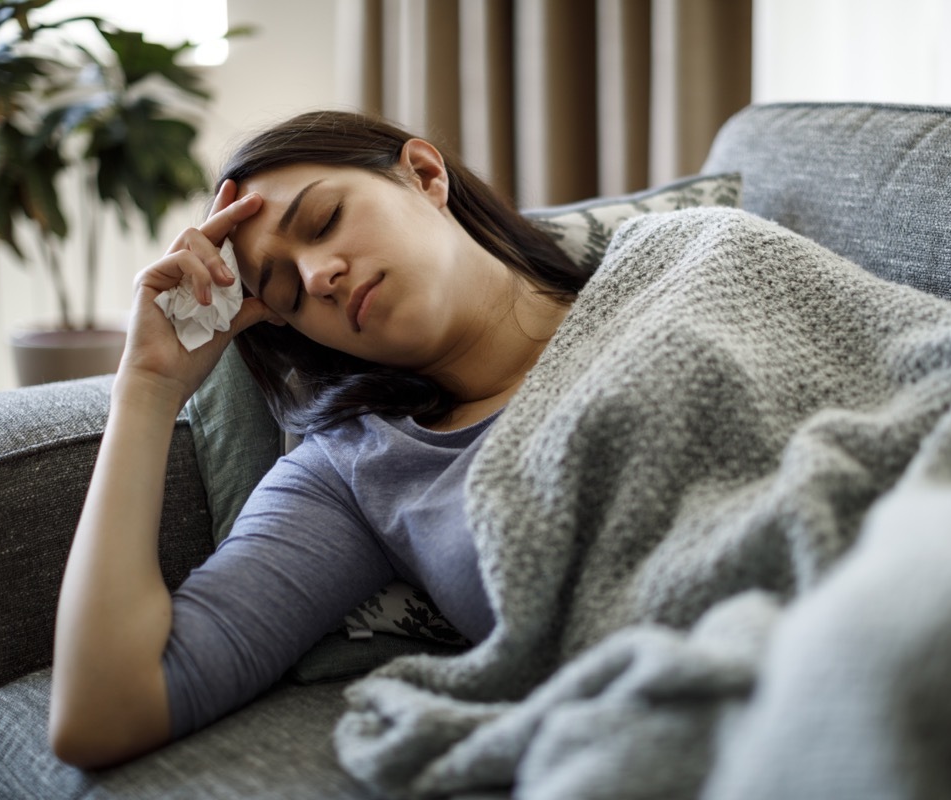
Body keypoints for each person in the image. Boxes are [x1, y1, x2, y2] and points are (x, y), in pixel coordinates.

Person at [47, 110, 585, 769]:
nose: (315, 278)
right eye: (284, 293)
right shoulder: (356, 473)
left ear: (423, 175)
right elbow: (102, 713)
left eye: (325, 219)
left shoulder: (680, 259)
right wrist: (147, 385)